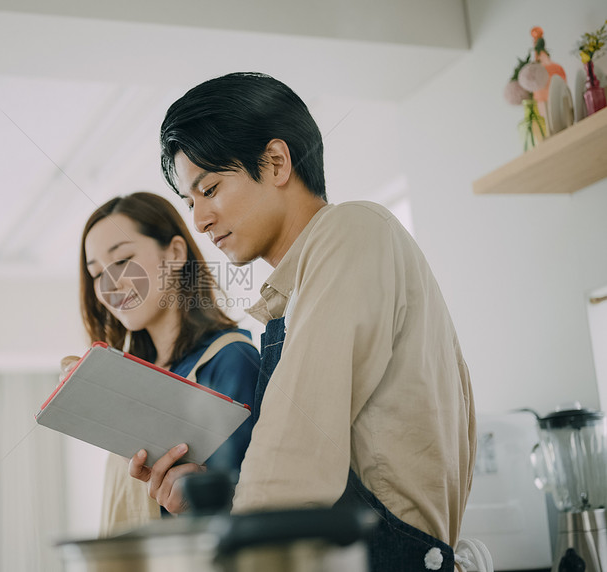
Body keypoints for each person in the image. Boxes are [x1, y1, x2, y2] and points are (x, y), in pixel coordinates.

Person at [129, 73, 476, 571]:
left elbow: (295, 458)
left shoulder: (354, 230)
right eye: (189, 202)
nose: (200, 219)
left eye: (209, 189)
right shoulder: (292, 294)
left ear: (276, 162)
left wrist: (232, 546)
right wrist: (215, 504)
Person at [72, 191, 261, 536]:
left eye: (122, 260)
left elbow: (252, 515)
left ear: (174, 254)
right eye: (97, 273)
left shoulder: (231, 361)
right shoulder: (132, 378)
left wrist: (193, 507)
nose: (109, 285)